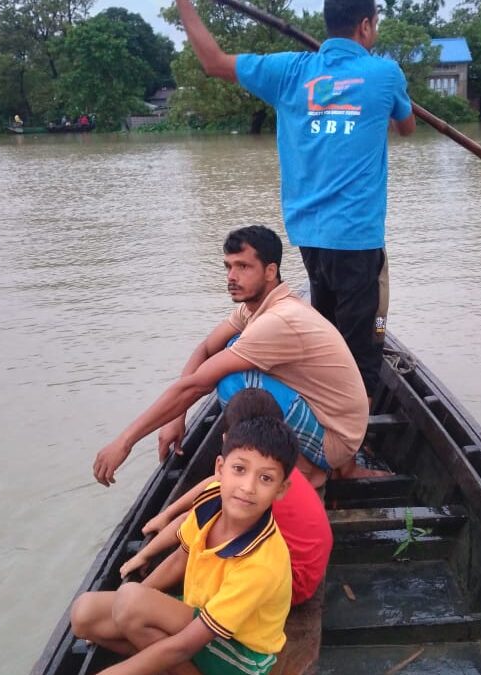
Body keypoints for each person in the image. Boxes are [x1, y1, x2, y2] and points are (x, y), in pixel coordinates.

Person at [173, 0, 416, 401]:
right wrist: (374, 111)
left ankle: (324, 404)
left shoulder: (288, 71)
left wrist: (184, 4)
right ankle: (357, 429)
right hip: (357, 238)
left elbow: (213, 62)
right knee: (365, 344)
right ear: (366, 26)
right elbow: (406, 126)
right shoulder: (385, 74)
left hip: (307, 237)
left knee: (326, 331)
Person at [93, 225, 372, 489]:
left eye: (243, 267)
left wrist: (125, 441)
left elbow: (198, 384)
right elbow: (206, 349)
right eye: (228, 266)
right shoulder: (256, 308)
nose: (232, 277)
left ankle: (307, 472)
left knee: (232, 381)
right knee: (231, 347)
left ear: (270, 271)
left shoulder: (279, 320)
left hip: (335, 441)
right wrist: (175, 417)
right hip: (326, 420)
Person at [72, 416, 299, 675]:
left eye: (265, 478)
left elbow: (184, 646)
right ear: (220, 468)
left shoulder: (262, 562)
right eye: (239, 469)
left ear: (281, 489)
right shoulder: (211, 501)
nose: (247, 487)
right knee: (84, 614)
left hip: (242, 654)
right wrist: (125, 607)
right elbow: (181, 557)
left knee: (132, 606)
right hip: (199, 613)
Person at [121, 388, 333, 606]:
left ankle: (150, 600)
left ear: (225, 437)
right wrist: (166, 514)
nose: (248, 485)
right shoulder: (271, 470)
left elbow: (189, 518)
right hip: (307, 568)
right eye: (239, 468)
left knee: (203, 536)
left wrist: (144, 555)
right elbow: (212, 483)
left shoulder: (252, 488)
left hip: (293, 582)